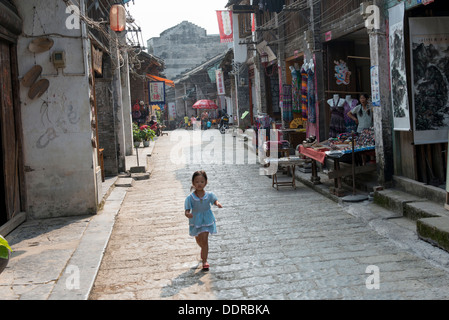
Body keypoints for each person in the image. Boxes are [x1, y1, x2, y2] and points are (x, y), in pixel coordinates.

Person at [184, 170, 222, 270]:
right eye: (197, 182)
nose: (199, 184)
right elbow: (187, 209)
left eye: (202, 181)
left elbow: (214, 200)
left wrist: (217, 204)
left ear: (206, 182)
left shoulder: (209, 195)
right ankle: (202, 248)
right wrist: (188, 214)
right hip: (196, 220)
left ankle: (205, 261)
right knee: (199, 240)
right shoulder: (190, 198)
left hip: (207, 219)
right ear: (193, 183)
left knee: (205, 240)